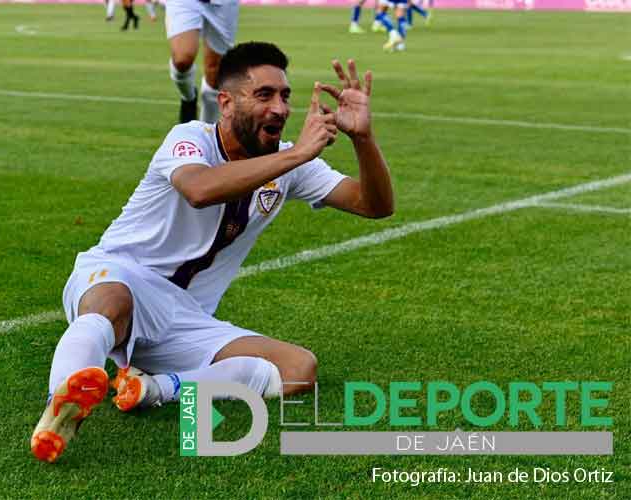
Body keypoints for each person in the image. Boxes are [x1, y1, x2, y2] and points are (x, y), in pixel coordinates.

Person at [30, 41, 394, 463]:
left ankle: (156, 388)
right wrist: (296, 154)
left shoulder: (291, 163)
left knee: (298, 371)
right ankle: (61, 401)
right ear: (225, 102)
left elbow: (375, 205)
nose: (279, 108)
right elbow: (199, 190)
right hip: (118, 275)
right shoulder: (189, 138)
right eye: (264, 95)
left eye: (285, 96)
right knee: (112, 301)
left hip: (184, 318)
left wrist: (364, 139)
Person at [165, 0, 239, 124]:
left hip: (223, 4)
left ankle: (205, 131)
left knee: (215, 73)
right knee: (182, 59)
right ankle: (188, 97)